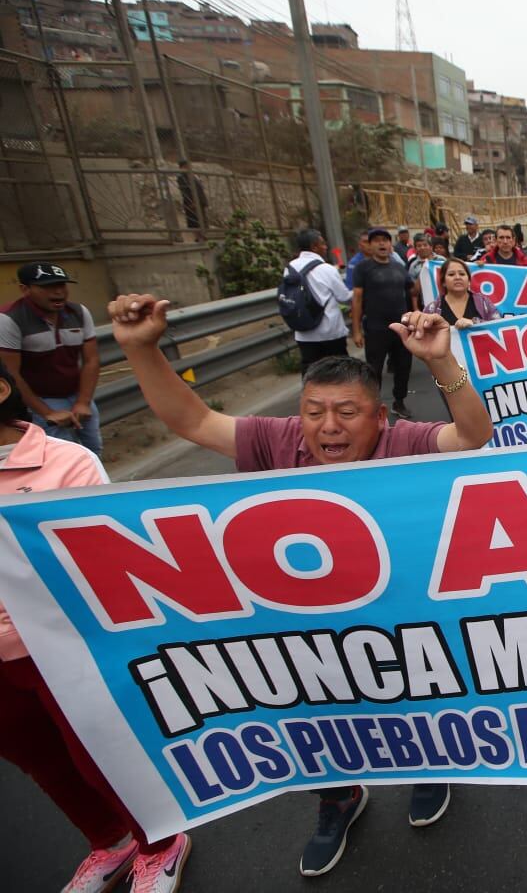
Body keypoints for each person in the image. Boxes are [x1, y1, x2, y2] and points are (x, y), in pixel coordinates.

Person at [108, 292, 492, 878]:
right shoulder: (275, 438)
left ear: (381, 417)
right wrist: (141, 350)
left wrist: (442, 361)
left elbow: (471, 436)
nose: (328, 428)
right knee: (316, 707)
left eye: (346, 412)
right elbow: (190, 420)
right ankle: (338, 797)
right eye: (315, 412)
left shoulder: (406, 440)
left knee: (413, 689)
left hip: (399, 609)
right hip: (307, 619)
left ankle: (427, 763)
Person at [0, 365, 193, 893]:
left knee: (98, 758)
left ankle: (160, 842)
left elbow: (97, 567)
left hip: (59, 648)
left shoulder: (68, 463)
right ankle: (109, 842)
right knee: (42, 761)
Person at [0, 262, 102, 456]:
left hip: (77, 393)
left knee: (94, 449)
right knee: (63, 456)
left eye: (62, 285)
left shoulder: (79, 312)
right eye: (47, 287)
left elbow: (91, 360)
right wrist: (46, 412)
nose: (58, 292)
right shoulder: (9, 319)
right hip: (40, 398)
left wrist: (83, 401)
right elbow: (12, 374)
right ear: (25, 289)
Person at [351, 227, 418, 420]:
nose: (381, 243)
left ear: (390, 244)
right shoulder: (362, 268)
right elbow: (356, 299)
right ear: (370, 245)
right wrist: (356, 331)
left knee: (403, 367)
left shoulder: (399, 267)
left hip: (401, 329)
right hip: (375, 329)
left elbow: (412, 291)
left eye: (385, 240)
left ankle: (399, 402)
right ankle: (373, 406)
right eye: (377, 240)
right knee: (374, 370)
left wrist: (429, 270)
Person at [287, 229, 353, 376]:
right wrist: (359, 291)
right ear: (314, 246)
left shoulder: (290, 268)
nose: (326, 246)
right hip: (329, 332)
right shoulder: (327, 269)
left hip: (303, 333)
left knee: (311, 374)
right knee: (339, 373)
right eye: (323, 243)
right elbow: (344, 297)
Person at [423, 257, 498, 329]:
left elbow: (498, 326)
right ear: (443, 282)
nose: (457, 277)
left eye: (462, 274)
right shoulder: (432, 309)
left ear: (469, 281)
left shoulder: (484, 302)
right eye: (451, 274)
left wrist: (475, 323)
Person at [406, 232, 440, 307]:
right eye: (419, 246)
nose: (422, 248)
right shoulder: (413, 266)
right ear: (415, 249)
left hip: (444, 300)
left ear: (431, 247)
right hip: (425, 303)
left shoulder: (441, 260)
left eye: (425, 245)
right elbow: (413, 291)